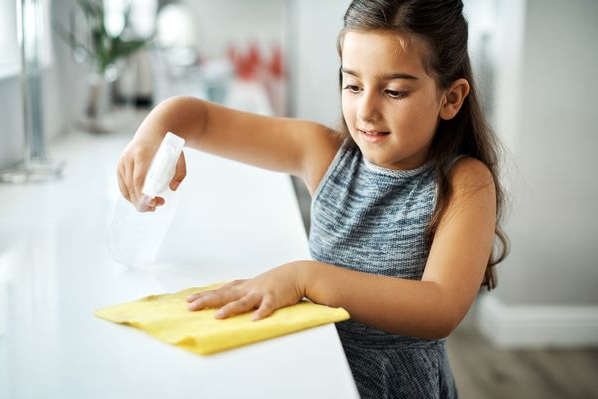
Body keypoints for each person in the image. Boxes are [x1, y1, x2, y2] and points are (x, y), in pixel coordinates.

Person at [116, 0, 508, 397]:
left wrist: (306, 277)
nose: (366, 110)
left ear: (451, 98)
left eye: (394, 91)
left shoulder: (465, 184)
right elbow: (199, 119)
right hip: (318, 371)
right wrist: (153, 135)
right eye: (352, 85)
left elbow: (439, 309)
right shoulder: (322, 153)